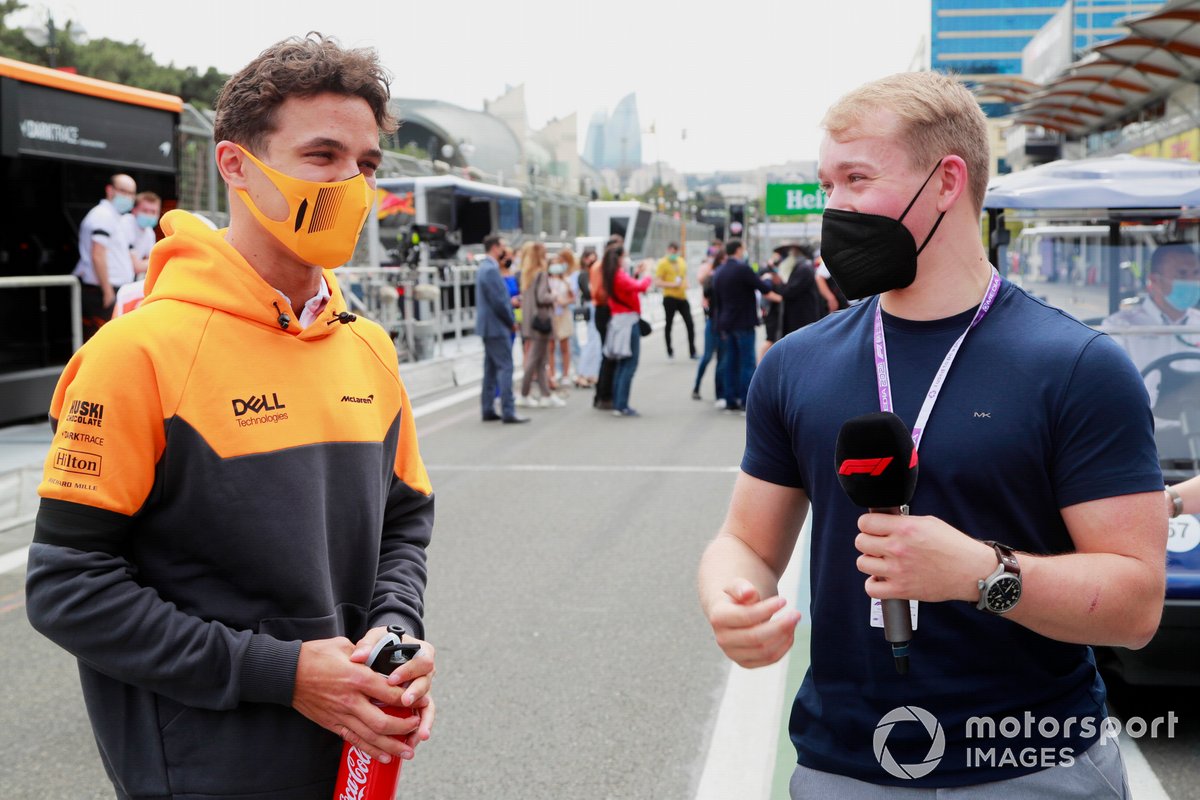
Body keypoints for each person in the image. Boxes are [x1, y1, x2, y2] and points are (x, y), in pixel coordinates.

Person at [698, 71, 1164, 799]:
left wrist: (982, 574)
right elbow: (748, 542)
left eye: (857, 178)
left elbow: (1136, 607)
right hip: (841, 765)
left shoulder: (1077, 365)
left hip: (1034, 765)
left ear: (948, 182)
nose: (834, 208)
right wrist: (732, 596)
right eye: (827, 184)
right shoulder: (795, 364)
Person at [26, 35, 438, 799]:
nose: (351, 183)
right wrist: (282, 675)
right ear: (236, 166)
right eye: (323, 156)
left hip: (350, 754)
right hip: (200, 772)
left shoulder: (369, 347)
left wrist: (394, 628)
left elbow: (405, 521)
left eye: (367, 164)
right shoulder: (138, 352)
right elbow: (67, 587)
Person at [1103, 241, 1200, 373]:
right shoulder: (1119, 327)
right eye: (1182, 273)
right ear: (1155, 280)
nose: (1192, 281)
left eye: (1196, 273)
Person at [710, 239, 779, 412]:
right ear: (739, 250)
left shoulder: (719, 271)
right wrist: (768, 279)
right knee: (747, 362)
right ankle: (745, 399)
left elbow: (716, 301)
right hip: (743, 322)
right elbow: (763, 287)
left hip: (726, 323)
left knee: (730, 362)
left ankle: (729, 399)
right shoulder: (742, 269)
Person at [74, 173, 138, 340]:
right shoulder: (103, 215)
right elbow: (98, 254)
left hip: (109, 290)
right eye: (124, 191)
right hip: (102, 292)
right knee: (102, 341)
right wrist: (108, 291)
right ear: (110, 190)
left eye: (132, 193)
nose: (128, 197)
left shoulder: (115, 217)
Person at [476, 233, 528, 424]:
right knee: (506, 367)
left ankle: (488, 408)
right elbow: (499, 301)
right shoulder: (491, 270)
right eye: (503, 247)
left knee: (490, 369)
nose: (505, 251)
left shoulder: (485, 267)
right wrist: (510, 321)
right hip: (497, 327)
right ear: (495, 247)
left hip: (489, 327)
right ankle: (508, 410)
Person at [601, 243, 652, 417]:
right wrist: (647, 276)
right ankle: (622, 404)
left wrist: (637, 274)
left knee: (622, 363)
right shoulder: (619, 276)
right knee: (629, 363)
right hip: (627, 323)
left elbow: (629, 286)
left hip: (619, 321)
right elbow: (640, 287)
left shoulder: (611, 274)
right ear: (619, 258)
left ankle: (618, 402)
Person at [517, 241, 565, 408]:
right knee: (535, 358)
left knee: (539, 359)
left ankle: (545, 394)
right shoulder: (540, 274)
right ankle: (524, 393)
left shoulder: (526, 275)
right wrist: (555, 296)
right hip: (542, 320)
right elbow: (542, 296)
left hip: (531, 320)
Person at [692, 247, 726, 401]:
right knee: (707, 357)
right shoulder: (712, 277)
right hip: (713, 322)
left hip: (724, 323)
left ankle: (719, 394)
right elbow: (706, 292)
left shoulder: (726, 276)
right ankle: (696, 386)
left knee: (722, 360)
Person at [655, 242, 697, 359]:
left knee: (690, 323)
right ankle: (669, 349)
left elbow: (684, 277)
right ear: (668, 250)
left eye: (675, 251)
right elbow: (657, 282)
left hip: (682, 297)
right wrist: (672, 284)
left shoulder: (681, 261)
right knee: (669, 323)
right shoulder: (662, 263)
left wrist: (686, 284)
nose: (674, 254)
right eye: (672, 251)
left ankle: (692, 351)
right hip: (670, 297)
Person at [123, 191, 162, 280]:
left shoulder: (149, 232)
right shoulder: (125, 224)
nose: (149, 215)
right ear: (134, 210)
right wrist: (158, 262)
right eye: (145, 210)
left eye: (153, 212)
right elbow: (136, 267)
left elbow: (151, 262)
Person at [576, 247, 601, 388]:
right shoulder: (584, 275)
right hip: (591, 306)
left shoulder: (594, 273)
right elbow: (589, 291)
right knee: (591, 341)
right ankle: (582, 373)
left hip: (595, 306)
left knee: (596, 342)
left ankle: (591, 373)